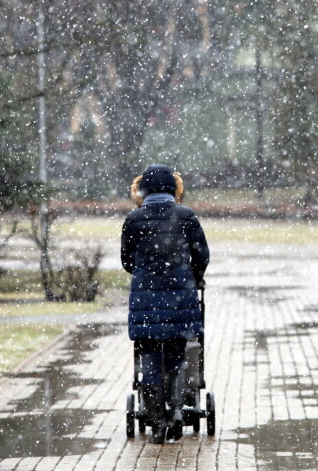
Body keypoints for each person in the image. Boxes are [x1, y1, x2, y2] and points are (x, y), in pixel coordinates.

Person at [121, 164, 209, 444]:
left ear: (142, 189)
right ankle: (176, 415)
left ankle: (156, 422)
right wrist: (192, 276)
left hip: (146, 301)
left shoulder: (133, 219)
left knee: (149, 361)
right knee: (177, 359)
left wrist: (146, 274)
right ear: (174, 188)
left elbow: (126, 261)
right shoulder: (186, 216)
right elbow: (202, 255)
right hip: (180, 299)